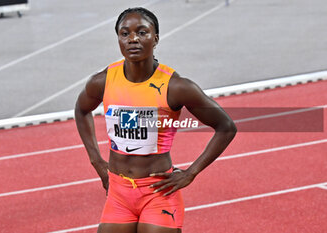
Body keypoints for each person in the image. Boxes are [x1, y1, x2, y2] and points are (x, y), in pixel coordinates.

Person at [75, 7, 237, 233]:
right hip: (118, 192)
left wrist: (191, 173)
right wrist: (97, 162)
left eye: (142, 32)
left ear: (156, 38)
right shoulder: (102, 82)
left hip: (158, 192)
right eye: (125, 33)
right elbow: (81, 110)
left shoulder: (177, 87)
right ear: (119, 39)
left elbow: (226, 127)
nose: (133, 39)